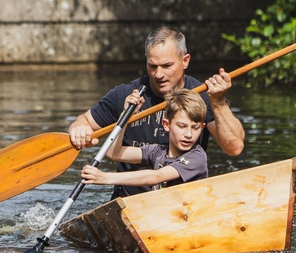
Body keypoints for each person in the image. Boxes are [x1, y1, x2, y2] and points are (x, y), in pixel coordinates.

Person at [68, 25, 245, 199]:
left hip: (180, 206)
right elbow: (87, 125)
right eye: (153, 66)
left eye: (167, 65)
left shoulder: (203, 98)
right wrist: (80, 130)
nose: (158, 74)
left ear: (185, 61)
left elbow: (234, 148)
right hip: (127, 202)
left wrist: (218, 102)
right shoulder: (126, 95)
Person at [81, 87, 208, 192]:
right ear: (166, 125)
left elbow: (157, 176)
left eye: (195, 128)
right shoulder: (157, 151)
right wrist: (126, 115)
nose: (189, 134)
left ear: (202, 127)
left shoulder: (197, 157)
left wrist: (105, 178)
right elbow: (114, 152)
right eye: (182, 126)